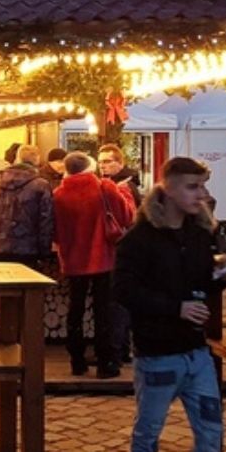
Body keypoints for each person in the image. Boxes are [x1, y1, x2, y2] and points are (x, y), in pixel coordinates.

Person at [114, 156, 226, 452]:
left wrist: (222, 276)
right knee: (149, 431)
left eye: (202, 186)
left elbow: (199, 283)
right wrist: (176, 307)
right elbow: (123, 290)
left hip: (196, 352)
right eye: (193, 186)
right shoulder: (139, 239)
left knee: (210, 429)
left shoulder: (198, 233)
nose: (202, 194)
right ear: (167, 188)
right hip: (158, 354)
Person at [54, 151, 134, 378]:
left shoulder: (58, 193)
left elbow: (56, 230)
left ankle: (76, 361)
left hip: (72, 259)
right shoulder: (105, 187)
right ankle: (105, 363)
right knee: (104, 310)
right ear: (90, 167)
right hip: (103, 258)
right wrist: (125, 194)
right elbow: (127, 216)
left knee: (75, 309)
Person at [0, 144, 53, 266]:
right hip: (27, 250)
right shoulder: (41, 186)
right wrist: (44, 252)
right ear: (37, 160)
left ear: (17, 158)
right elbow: (45, 222)